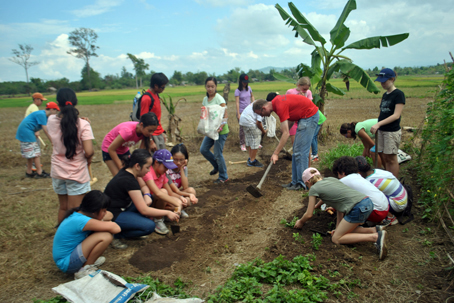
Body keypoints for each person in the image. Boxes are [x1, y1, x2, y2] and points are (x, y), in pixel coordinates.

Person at [294, 168, 388, 260]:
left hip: (358, 208)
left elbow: (309, 214)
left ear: (308, 183)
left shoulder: (313, 189)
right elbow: (339, 206)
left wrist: (301, 222)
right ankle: (374, 230)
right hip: (367, 202)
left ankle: (375, 237)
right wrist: (338, 226)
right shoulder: (331, 179)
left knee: (336, 239)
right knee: (343, 230)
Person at [104, 149, 179, 249]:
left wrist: (147, 194)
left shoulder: (130, 172)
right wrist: (166, 213)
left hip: (125, 206)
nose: (149, 170)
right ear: (137, 166)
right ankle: (116, 234)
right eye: (147, 167)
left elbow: (143, 187)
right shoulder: (129, 180)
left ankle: (126, 225)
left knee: (150, 199)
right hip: (114, 213)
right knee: (149, 226)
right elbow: (144, 210)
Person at [48, 88, 95, 223]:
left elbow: (63, 121)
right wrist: (88, 159)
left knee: (63, 207)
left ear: (58, 103)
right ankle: (73, 239)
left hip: (57, 171)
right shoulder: (83, 124)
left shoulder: (51, 120)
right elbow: (89, 151)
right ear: (75, 102)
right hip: (77, 172)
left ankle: (61, 235)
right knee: (75, 209)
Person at [254, 95, 319, 190]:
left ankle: (302, 183)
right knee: (296, 152)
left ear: (263, 108)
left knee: (301, 153)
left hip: (309, 117)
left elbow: (286, 134)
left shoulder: (279, 106)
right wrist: (286, 128)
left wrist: (276, 153)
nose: (261, 116)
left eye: (260, 113)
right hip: (304, 118)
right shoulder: (276, 103)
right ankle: (295, 182)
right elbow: (292, 116)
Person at [52, 190, 121, 279]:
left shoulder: (79, 213)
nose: (105, 212)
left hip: (67, 259)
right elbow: (116, 228)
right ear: (93, 211)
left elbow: (110, 215)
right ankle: (84, 270)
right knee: (105, 236)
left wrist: (102, 219)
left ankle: (87, 260)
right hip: (67, 263)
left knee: (103, 229)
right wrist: (102, 221)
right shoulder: (82, 221)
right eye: (103, 210)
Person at [332, 156, 389, 224]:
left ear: (342, 172)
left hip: (377, 213)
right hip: (385, 207)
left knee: (347, 204)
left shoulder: (343, 181)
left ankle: (353, 225)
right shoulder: (358, 176)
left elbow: (339, 200)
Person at [140, 149, 185, 235]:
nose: (167, 170)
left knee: (176, 201)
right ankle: (158, 220)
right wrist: (177, 204)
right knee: (163, 192)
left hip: (158, 201)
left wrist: (179, 202)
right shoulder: (148, 172)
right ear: (156, 162)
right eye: (165, 167)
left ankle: (164, 215)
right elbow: (158, 193)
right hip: (147, 202)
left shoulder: (162, 174)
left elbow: (170, 193)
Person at [370, 68, 405, 178]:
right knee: (385, 156)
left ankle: (394, 181)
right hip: (382, 130)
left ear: (392, 79)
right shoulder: (385, 95)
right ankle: (388, 178)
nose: (382, 84)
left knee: (391, 158)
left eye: (385, 81)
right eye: (381, 82)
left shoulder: (398, 94)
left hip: (391, 131)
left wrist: (378, 124)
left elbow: (396, 115)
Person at [355, 156, 408, 226]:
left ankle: (390, 217)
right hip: (403, 198)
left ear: (359, 172)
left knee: (366, 199)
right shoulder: (376, 171)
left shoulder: (369, 182)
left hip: (398, 204)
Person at [16, 101, 60, 178]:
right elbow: (46, 130)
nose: (56, 112)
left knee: (30, 153)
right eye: (56, 110)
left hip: (27, 131)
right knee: (36, 153)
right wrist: (52, 141)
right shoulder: (42, 115)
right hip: (26, 132)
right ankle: (39, 172)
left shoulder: (44, 115)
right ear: (52, 109)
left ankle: (29, 172)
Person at [200, 77, 229, 184]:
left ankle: (223, 176)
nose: (210, 88)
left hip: (221, 131)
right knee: (203, 149)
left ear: (216, 87)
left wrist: (220, 126)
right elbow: (204, 114)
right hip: (211, 130)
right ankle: (217, 166)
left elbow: (225, 115)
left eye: (212, 86)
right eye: (208, 86)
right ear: (205, 87)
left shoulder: (219, 99)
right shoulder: (205, 99)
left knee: (217, 153)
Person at [139, 72, 169, 151]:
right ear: (156, 86)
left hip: (158, 132)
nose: (163, 89)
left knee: (162, 157)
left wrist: (162, 132)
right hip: (152, 134)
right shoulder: (147, 98)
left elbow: (157, 118)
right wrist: (150, 140)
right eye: (162, 87)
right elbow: (144, 121)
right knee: (154, 159)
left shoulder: (156, 95)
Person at [166, 143, 198, 212]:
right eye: (175, 159)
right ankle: (178, 208)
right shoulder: (167, 170)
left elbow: (185, 187)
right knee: (187, 199)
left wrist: (181, 168)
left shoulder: (184, 168)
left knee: (191, 191)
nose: (178, 162)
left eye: (181, 160)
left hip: (177, 193)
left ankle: (179, 208)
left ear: (185, 159)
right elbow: (172, 192)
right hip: (169, 194)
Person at [285, 77, 313, 145]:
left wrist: (303, 98)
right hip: (293, 120)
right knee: (295, 143)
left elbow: (309, 106)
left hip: (304, 119)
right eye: (304, 89)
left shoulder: (308, 92)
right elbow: (287, 105)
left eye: (307, 89)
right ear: (299, 85)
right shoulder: (290, 92)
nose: (305, 91)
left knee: (306, 143)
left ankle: (308, 156)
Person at [239, 102, 266, 167]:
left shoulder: (258, 102)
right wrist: (263, 131)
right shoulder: (263, 108)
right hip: (249, 122)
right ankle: (252, 161)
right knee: (256, 139)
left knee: (250, 140)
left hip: (243, 120)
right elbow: (258, 122)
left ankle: (250, 158)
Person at [235, 73, 255, 152]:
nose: (245, 83)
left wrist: (254, 103)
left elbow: (252, 96)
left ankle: (252, 142)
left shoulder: (249, 88)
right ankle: (242, 144)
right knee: (242, 129)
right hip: (242, 111)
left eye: (246, 81)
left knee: (251, 126)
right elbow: (237, 102)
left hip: (249, 110)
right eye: (244, 82)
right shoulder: (237, 91)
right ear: (240, 81)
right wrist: (239, 114)